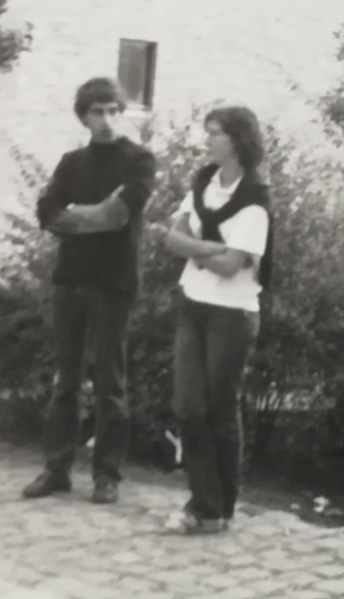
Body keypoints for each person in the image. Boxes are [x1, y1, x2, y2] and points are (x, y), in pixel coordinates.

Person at [22, 77, 157, 505]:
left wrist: (75, 215)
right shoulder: (71, 162)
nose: (106, 120)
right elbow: (45, 212)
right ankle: (56, 469)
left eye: (113, 110)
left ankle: (107, 474)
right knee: (65, 380)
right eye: (97, 112)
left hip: (112, 282)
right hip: (70, 280)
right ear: (84, 116)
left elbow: (117, 215)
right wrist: (89, 214)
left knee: (110, 384)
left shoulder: (140, 160)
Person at [156, 106, 274, 534]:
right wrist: (208, 249)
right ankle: (207, 503)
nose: (207, 141)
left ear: (238, 140)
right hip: (193, 303)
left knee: (219, 409)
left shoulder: (255, 200)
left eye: (215, 134)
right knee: (188, 407)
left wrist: (196, 247)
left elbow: (232, 268)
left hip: (233, 314)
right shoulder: (204, 182)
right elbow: (173, 236)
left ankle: (215, 508)